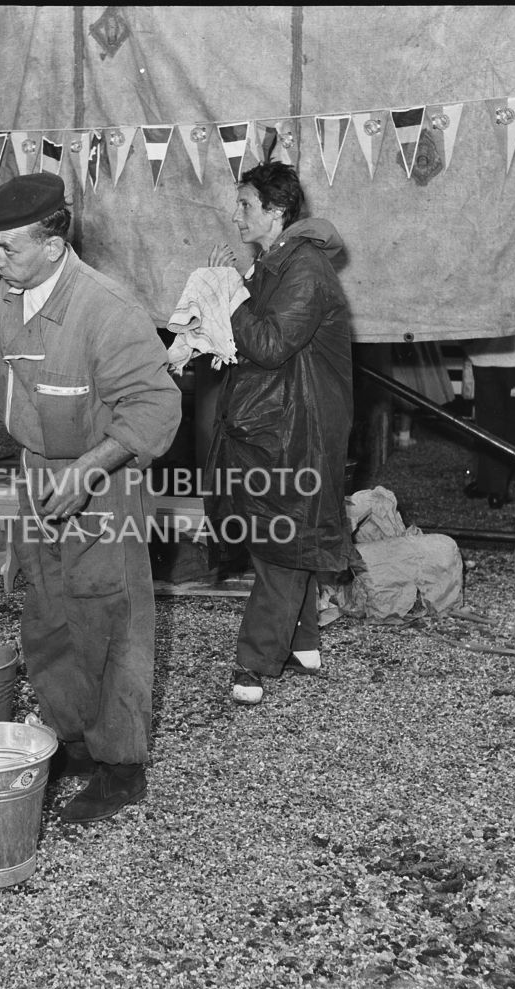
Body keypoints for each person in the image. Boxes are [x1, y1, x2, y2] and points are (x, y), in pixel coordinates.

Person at [0, 173, 182, 823]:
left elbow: (155, 409)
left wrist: (86, 469)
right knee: (48, 614)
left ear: (54, 245)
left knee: (108, 623)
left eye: (8, 248)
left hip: (100, 486)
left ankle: (120, 767)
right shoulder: (6, 298)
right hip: (35, 479)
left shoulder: (106, 311)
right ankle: (72, 737)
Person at [205, 162, 354, 706]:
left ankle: (254, 663)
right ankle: (304, 643)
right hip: (282, 419)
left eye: (245, 204)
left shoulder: (306, 269)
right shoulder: (280, 261)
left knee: (282, 540)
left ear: (275, 211)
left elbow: (267, 344)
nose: (236, 213)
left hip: (300, 424)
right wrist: (236, 286)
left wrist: (230, 291)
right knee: (294, 527)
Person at [461, 332, 515, 508]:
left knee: (489, 421)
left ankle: (492, 483)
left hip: (484, 353)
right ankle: (495, 486)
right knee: (512, 422)